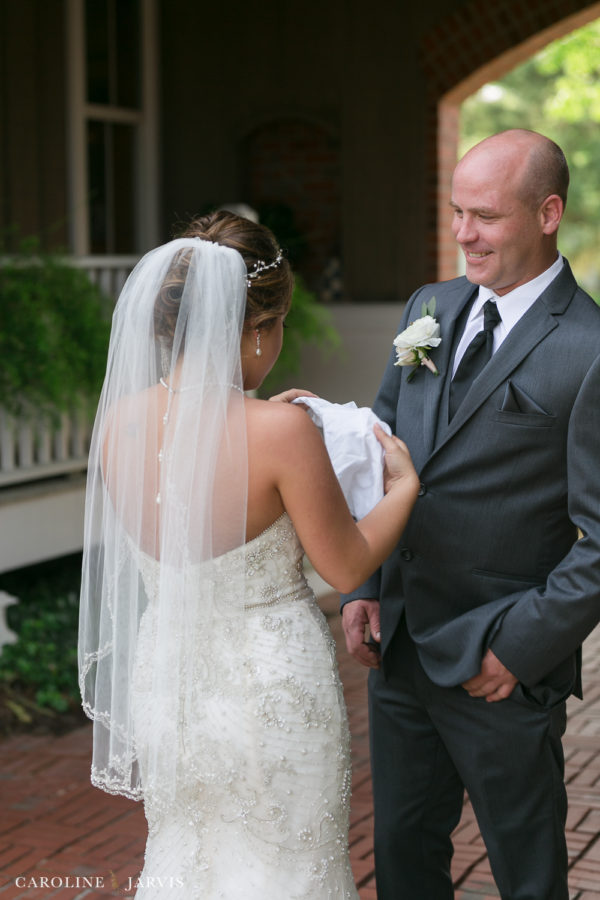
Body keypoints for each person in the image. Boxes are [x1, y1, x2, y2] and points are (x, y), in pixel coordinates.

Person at [78, 210, 420, 899]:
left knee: (187, 856)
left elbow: (192, 497)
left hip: (169, 683)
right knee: (282, 869)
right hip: (272, 692)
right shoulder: (282, 433)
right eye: (279, 322)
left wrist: (266, 417)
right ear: (258, 328)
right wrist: (405, 487)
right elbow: (346, 566)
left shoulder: (119, 421)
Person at [341, 129, 600, 899]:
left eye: (485, 216)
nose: (463, 234)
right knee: (403, 862)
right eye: (457, 213)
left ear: (547, 213)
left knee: (527, 879)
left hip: (501, 668)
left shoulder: (590, 348)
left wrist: (520, 649)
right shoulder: (430, 306)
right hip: (399, 648)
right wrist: (364, 584)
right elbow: (382, 453)